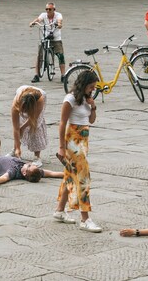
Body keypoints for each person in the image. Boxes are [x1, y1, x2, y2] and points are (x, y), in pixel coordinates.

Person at [54, 69, 102, 232]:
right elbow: (62, 123)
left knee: (69, 175)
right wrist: (61, 147)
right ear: (83, 85)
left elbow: (91, 120)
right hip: (73, 140)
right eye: (91, 87)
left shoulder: (86, 100)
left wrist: (93, 106)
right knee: (83, 178)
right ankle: (85, 218)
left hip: (83, 140)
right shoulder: (70, 99)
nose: (93, 90)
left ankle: (60, 211)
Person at [11, 85, 48, 165]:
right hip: (24, 93)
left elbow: (33, 119)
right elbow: (16, 127)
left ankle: (37, 157)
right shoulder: (16, 103)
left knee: (36, 126)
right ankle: (15, 150)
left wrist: (23, 127)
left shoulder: (40, 100)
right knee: (19, 125)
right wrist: (18, 148)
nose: (24, 113)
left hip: (38, 98)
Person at [30, 3, 65, 83]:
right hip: (45, 37)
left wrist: (59, 24)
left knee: (61, 56)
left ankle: (63, 75)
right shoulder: (43, 15)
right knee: (39, 56)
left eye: (50, 9)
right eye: (47, 9)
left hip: (56, 38)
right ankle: (37, 75)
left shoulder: (58, 15)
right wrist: (33, 22)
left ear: (54, 10)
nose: (48, 11)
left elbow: (60, 21)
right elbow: (38, 19)